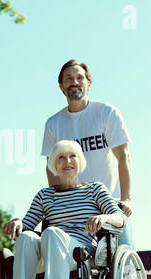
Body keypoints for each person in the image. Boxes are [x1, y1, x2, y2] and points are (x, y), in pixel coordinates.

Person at [2, 140, 127, 279]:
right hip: (48, 252)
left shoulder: (95, 189)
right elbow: (26, 225)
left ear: (80, 161)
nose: (67, 161)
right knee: (26, 237)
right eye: (61, 157)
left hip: (78, 254)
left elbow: (121, 218)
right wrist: (17, 222)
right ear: (54, 164)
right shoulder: (44, 195)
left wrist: (104, 218)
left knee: (51, 233)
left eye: (72, 156)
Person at [41, 59, 133, 248]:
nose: (74, 82)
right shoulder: (53, 123)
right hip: (73, 205)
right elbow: (51, 168)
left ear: (88, 84)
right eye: (68, 78)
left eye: (79, 78)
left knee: (127, 258)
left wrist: (126, 199)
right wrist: (59, 200)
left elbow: (123, 156)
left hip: (110, 201)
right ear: (61, 86)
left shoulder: (106, 113)